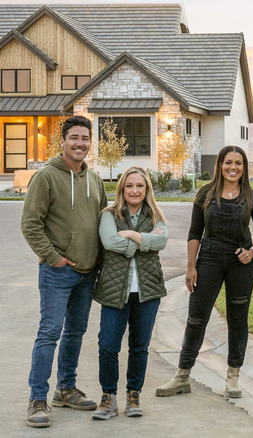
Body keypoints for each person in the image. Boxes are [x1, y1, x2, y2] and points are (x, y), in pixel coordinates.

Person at [156, 146, 253, 398]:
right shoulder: (205, 193)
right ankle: (182, 375)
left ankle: (232, 378)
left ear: (244, 166)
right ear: (219, 164)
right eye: (228, 162)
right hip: (209, 259)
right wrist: (190, 266)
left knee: (238, 320)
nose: (233, 167)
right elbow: (195, 232)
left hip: (241, 263)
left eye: (238, 163)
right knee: (196, 318)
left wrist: (252, 251)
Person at [21, 115, 107, 427]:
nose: (80, 143)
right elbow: (30, 223)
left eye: (85, 138)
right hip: (58, 272)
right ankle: (37, 398)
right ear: (63, 141)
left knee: (75, 332)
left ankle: (66, 389)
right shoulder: (46, 177)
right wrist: (52, 257)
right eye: (74, 138)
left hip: (88, 272)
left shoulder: (95, 179)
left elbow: (104, 222)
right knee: (49, 333)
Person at [92, 167, 168, 420]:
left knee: (139, 347)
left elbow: (162, 242)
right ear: (122, 188)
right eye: (129, 186)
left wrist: (133, 234)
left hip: (147, 292)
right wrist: (144, 242)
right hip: (115, 291)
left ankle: (133, 395)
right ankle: (108, 397)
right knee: (107, 346)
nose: (135, 191)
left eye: (140, 186)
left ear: (146, 190)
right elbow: (109, 242)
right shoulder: (109, 215)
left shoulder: (155, 214)